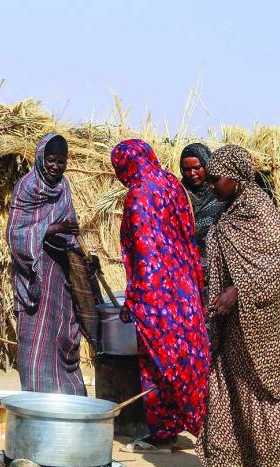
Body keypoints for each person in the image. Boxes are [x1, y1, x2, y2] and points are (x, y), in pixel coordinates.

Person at [168, 144, 280, 467]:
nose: (210, 186)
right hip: (232, 325)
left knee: (260, 397)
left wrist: (237, 291)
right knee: (223, 390)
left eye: (215, 179)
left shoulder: (261, 212)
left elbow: (278, 268)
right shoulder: (232, 210)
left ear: (238, 178)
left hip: (263, 326)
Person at [111, 139, 209, 450]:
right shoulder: (170, 183)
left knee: (166, 364)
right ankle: (166, 430)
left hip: (158, 297)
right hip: (186, 289)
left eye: (119, 168)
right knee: (189, 359)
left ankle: (204, 427)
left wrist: (135, 298)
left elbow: (146, 253)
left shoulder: (140, 195)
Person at [6, 133, 86, 394]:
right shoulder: (27, 186)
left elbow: (69, 228)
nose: (56, 166)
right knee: (36, 339)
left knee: (63, 335)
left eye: (61, 161)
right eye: (51, 160)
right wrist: (53, 228)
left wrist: (74, 244)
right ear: (41, 158)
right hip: (34, 274)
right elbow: (16, 233)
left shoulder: (64, 187)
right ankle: (38, 397)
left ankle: (67, 396)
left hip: (59, 273)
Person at [179, 143, 226, 279]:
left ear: (206, 165)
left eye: (197, 168)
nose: (192, 173)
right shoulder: (178, 194)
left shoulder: (221, 193)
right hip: (186, 271)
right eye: (187, 169)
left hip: (217, 273)